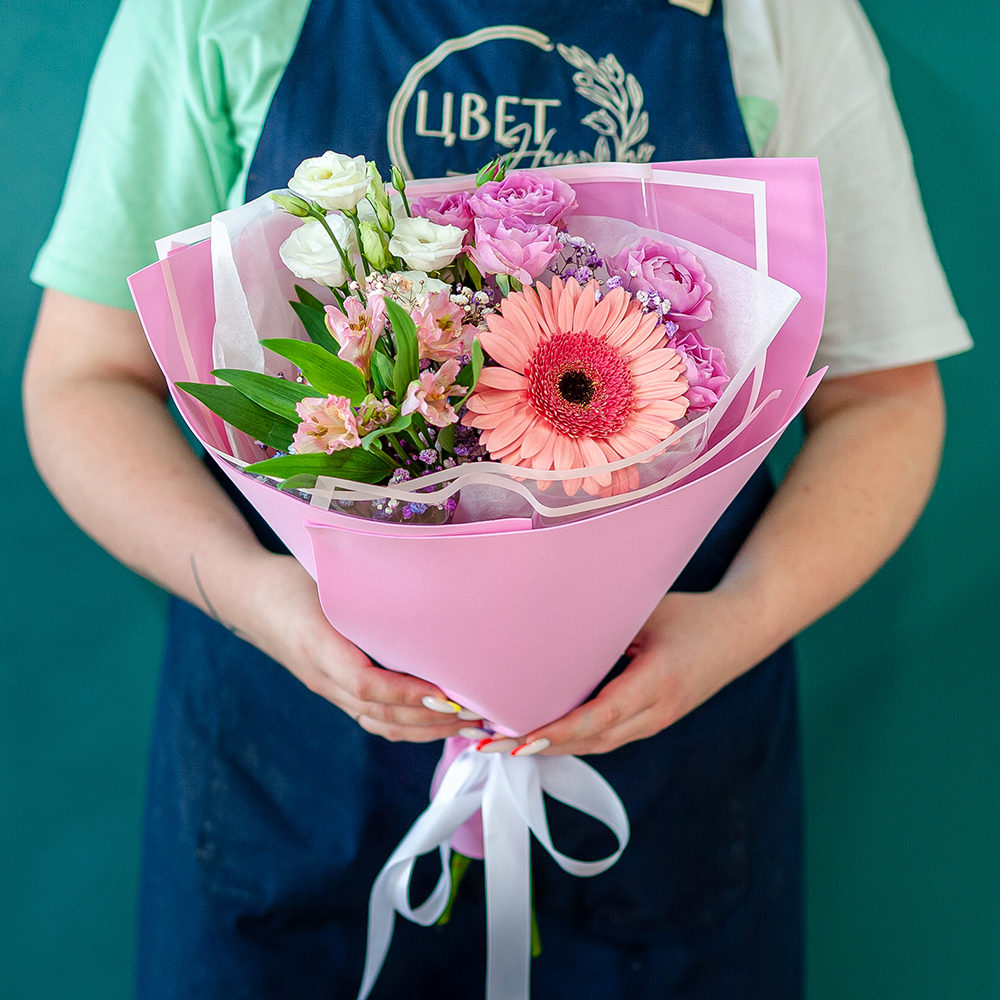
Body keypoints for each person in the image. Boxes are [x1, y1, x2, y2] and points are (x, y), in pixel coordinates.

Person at [24, 0, 971, 996]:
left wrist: (736, 624)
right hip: (291, 772)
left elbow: (884, 400)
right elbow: (86, 379)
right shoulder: (210, 14)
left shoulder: (783, 19)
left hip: (668, 765)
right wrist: (258, 597)